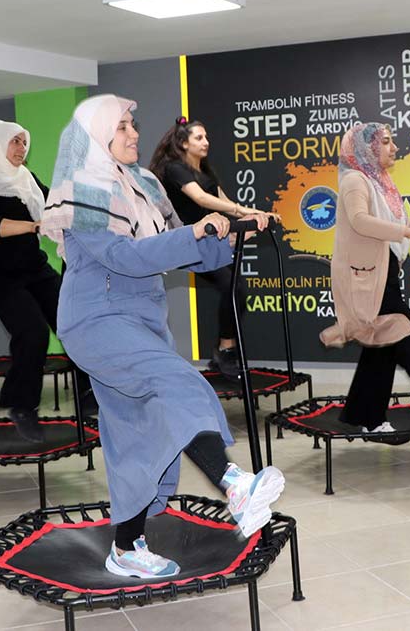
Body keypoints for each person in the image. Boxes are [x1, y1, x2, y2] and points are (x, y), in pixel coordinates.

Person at [41, 94, 284, 579]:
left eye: (133, 124)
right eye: (123, 126)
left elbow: (178, 246)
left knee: (137, 430)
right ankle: (233, 483)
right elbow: (125, 257)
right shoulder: (82, 189)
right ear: (96, 134)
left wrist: (231, 234)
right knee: (177, 380)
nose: (134, 133)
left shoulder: (145, 183)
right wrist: (197, 232)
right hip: (96, 318)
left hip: (142, 318)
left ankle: (126, 547)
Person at [320, 122, 410, 435]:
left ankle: (364, 416)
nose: (394, 148)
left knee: (382, 343)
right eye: (385, 142)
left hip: (382, 269)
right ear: (366, 148)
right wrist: (408, 233)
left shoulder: (379, 181)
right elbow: (361, 221)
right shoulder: (355, 180)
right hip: (364, 275)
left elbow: (397, 219)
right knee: (398, 325)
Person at [0, 120, 92, 441]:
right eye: (15, 142)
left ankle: (89, 393)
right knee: (33, 331)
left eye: (24, 142)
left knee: (72, 321)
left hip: (33, 267)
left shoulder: (26, 179)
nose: (22, 148)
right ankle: (22, 407)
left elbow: (53, 204)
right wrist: (34, 225)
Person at [149, 118, 274, 380]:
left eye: (206, 137)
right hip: (187, 243)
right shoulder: (175, 169)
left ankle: (224, 350)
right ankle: (225, 350)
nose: (206, 142)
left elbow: (224, 202)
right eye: (199, 138)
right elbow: (201, 198)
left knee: (236, 289)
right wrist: (242, 210)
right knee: (232, 286)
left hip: (209, 243)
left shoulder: (204, 172)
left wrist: (257, 214)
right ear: (183, 143)